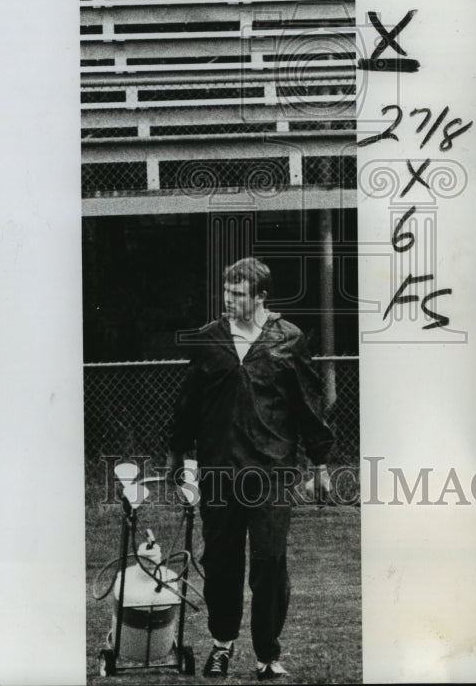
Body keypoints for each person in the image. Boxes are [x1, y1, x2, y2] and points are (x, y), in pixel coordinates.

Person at [168, 257, 333, 680]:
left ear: (261, 297)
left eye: (238, 294)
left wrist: (320, 464)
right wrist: (179, 458)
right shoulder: (208, 340)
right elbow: (187, 405)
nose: (228, 300)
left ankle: (267, 655)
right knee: (221, 563)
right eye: (226, 292)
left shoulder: (287, 339)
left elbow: (308, 406)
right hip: (219, 472)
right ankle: (221, 645)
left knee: (270, 561)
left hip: (272, 472)